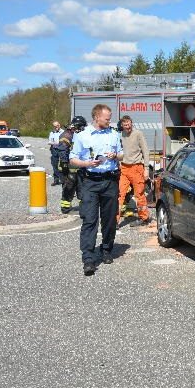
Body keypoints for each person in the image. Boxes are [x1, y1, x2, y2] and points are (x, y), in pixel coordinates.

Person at [69, 104, 123, 276]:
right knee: (90, 220)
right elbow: (72, 159)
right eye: (107, 118)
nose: (110, 121)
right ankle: (88, 259)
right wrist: (87, 163)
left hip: (109, 180)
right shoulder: (82, 136)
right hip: (89, 181)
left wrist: (116, 156)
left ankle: (106, 249)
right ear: (97, 117)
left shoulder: (114, 134)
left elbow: (122, 154)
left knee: (109, 219)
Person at [116, 115, 152, 227]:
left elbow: (146, 151)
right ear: (122, 125)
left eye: (129, 124)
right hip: (124, 168)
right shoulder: (120, 135)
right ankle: (114, 221)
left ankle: (144, 217)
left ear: (131, 123)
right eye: (125, 125)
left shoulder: (138, 134)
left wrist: (146, 169)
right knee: (119, 194)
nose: (127, 126)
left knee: (139, 194)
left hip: (137, 168)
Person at [55, 116, 87, 213]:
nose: (83, 129)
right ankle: (65, 208)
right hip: (68, 168)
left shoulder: (78, 135)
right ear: (77, 126)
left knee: (81, 188)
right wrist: (65, 164)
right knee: (68, 188)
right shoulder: (67, 135)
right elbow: (62, 150)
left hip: (78, 167)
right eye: (82, 126)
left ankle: (84, 208)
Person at [48, 121, 64, 185]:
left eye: (57, 125)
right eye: (54, 126)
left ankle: (63, 179)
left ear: (59, 125)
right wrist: (56, 143)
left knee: (63, 165)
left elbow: (64, 142)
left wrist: (55, 142)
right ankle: (56, 180)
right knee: (54, 165)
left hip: (62, 150)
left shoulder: (63, 132)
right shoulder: (52, 132)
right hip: (54, 149)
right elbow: (49, 141)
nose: (56, 127)